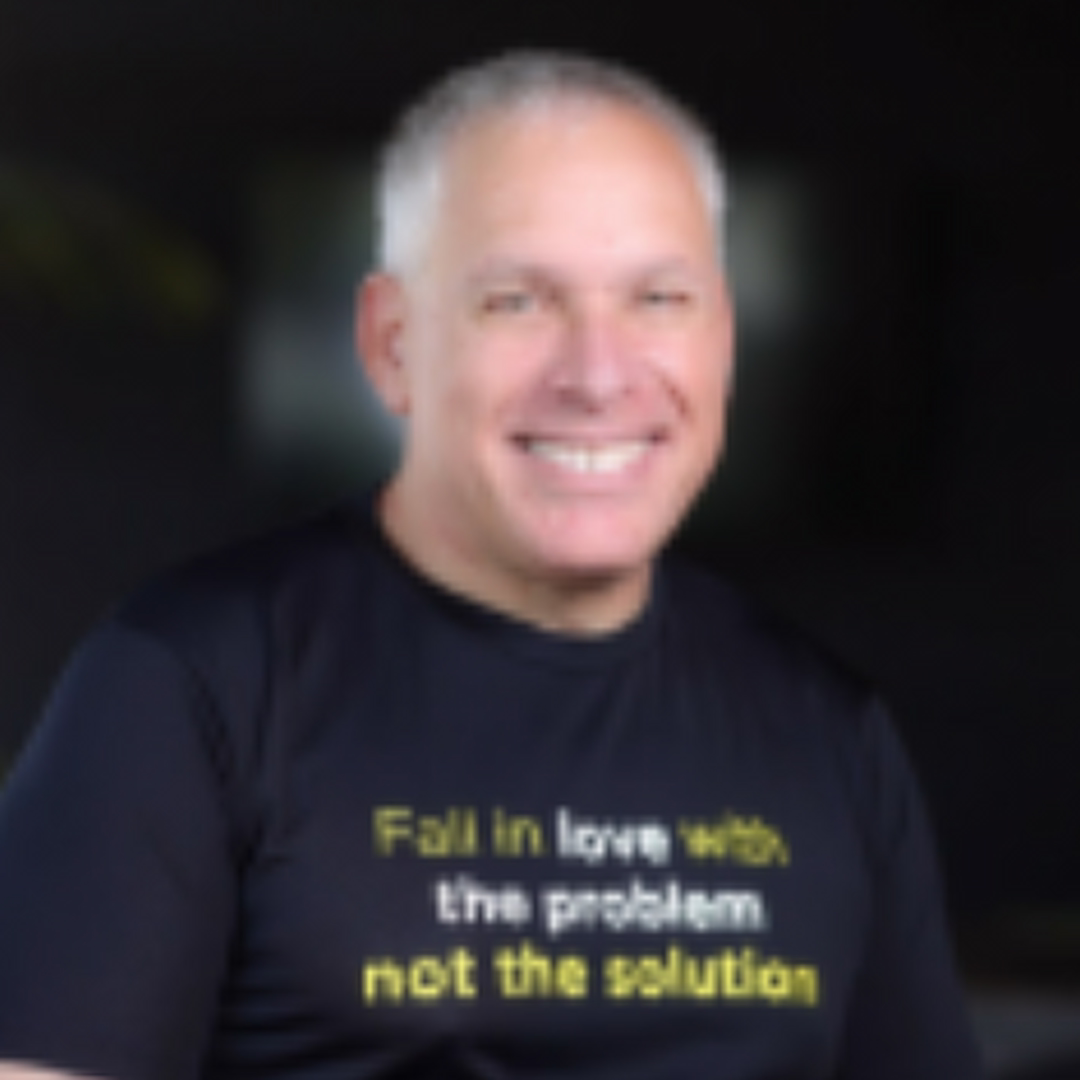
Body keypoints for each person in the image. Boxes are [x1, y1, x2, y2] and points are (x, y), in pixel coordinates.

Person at [0, 50, 985, 1079]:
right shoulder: (190, 680)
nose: (599, 375)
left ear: (723, 342)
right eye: (518, 300)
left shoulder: (827, 728)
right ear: (391, 345)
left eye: (659, 298)